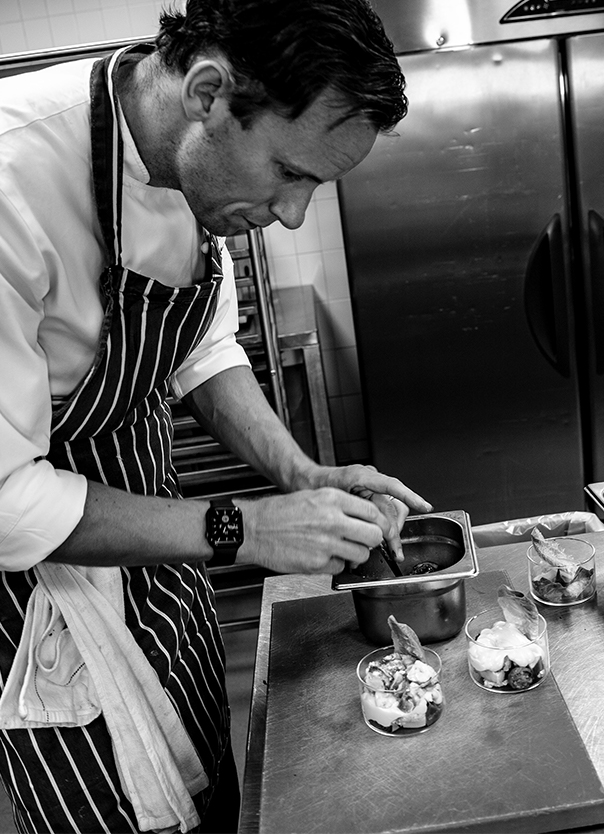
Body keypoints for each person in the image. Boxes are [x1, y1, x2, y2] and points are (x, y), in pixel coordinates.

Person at [0, 0, 432, 831]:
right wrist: (241, 528)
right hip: (41, 603)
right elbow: (6, 500)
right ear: (207, 93)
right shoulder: (15, 182)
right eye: (292, 174)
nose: (295, 214)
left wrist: (299, 474)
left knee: (214, 784)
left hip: (162, 568)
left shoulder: (192, 171)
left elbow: (200, 346)